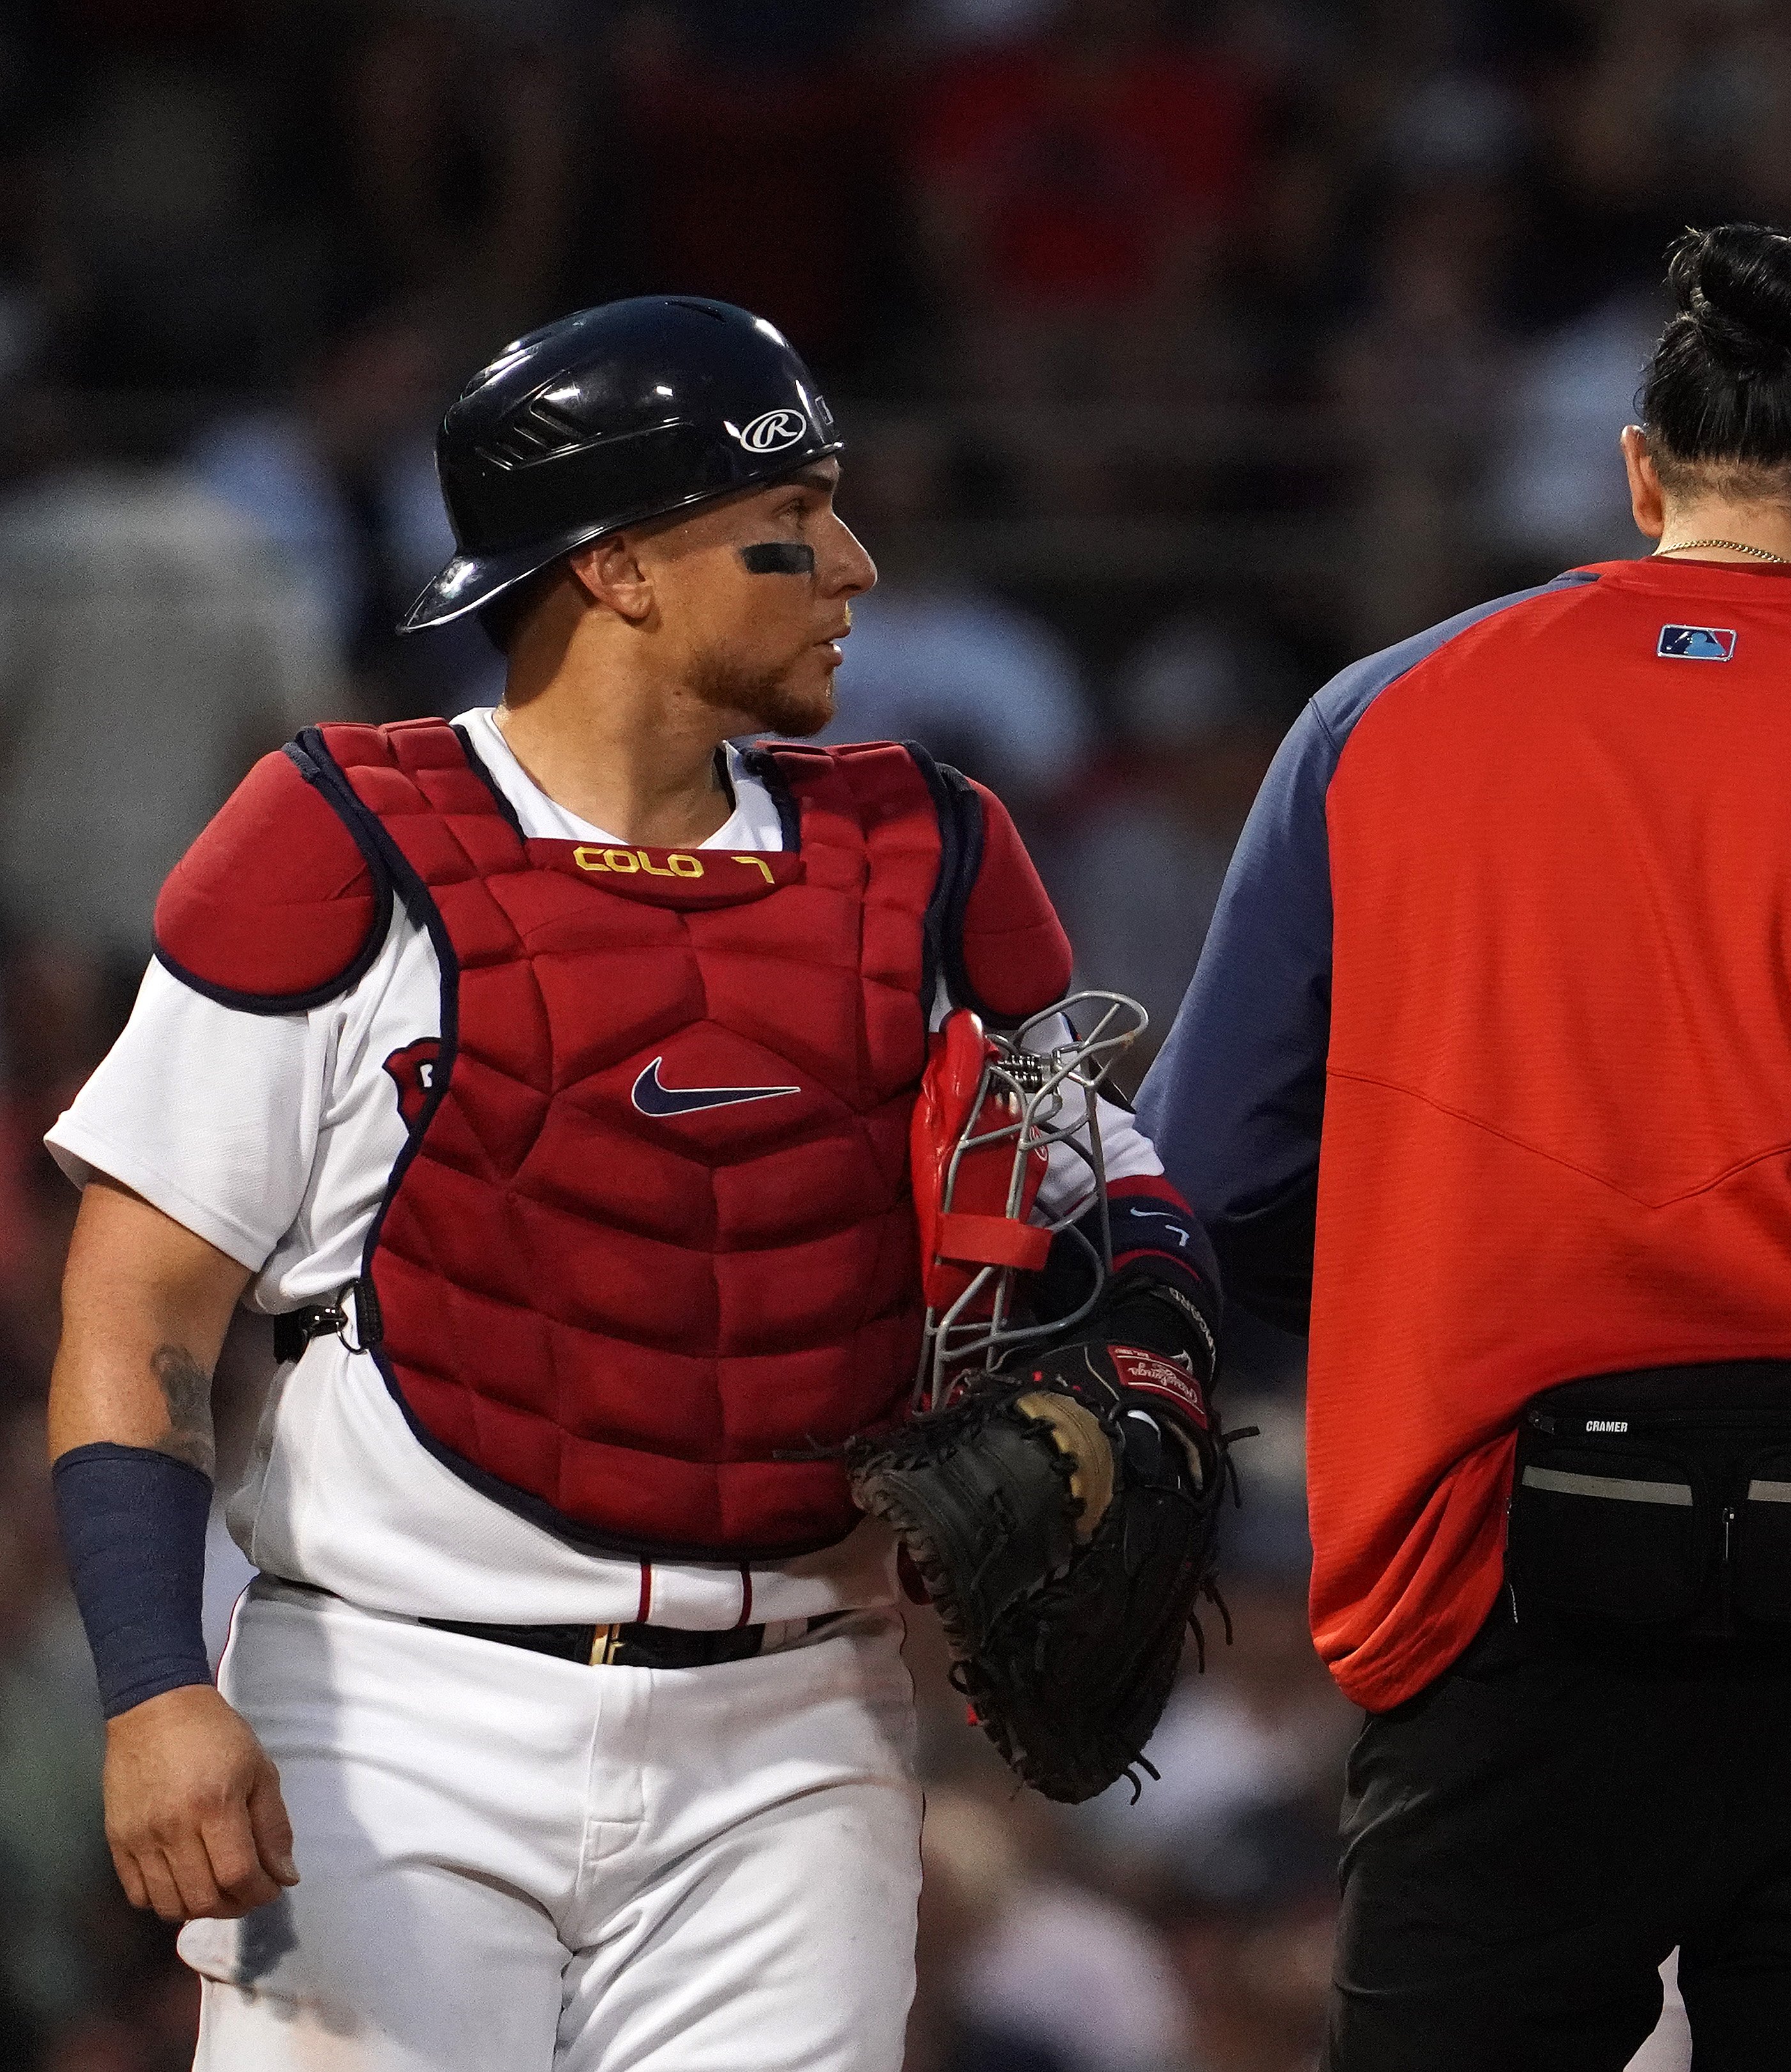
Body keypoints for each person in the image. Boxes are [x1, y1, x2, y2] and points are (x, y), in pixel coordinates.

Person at [43, 296, 1221, 2072]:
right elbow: (136, 1305)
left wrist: (1147, 1341)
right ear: (619, 570)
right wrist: (150, 1680)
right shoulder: (342, 838)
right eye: (794, 518)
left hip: (795, 1726)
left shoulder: (928, 852)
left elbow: (1111, 1188)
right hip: (394, 1706)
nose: (854, 563)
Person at [1137, 223, 1791, 2070]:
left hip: (1500, 1579)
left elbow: (1210, 1181)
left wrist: (1423, 1267)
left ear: (1642, 473)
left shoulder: (1369, 718)